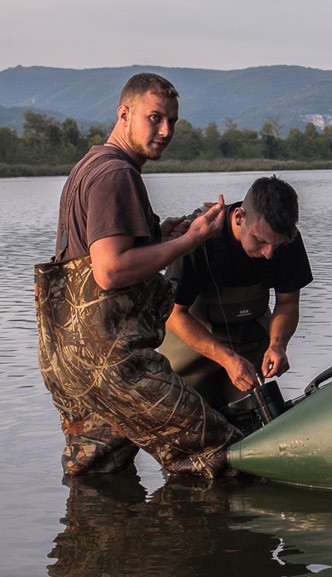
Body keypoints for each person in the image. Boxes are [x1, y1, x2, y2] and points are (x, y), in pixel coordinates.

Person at [35, 72, 242, 479]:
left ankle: (107, 539)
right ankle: (219, 540)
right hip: (113, 362)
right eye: (155, 118)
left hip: (68, 362)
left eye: (173, 121)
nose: (165, 131)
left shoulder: (90, 165)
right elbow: (110, 270)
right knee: (219, 451)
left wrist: (159, 234)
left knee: (97, 471)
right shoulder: (117, 174)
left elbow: (94, 253)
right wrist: (193, 239)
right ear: (124, 114)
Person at [160, 176, 312, 430]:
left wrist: (278, 344)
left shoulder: (285, 239)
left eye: (277, 244)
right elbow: (175, 315)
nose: (269, 253)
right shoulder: (200, 235)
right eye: (260, 241)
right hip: (190, 353)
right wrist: (227, 359)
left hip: (248, 348)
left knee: (256, 428)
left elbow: (287, 304)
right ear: (239, 216)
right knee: (193, 431)